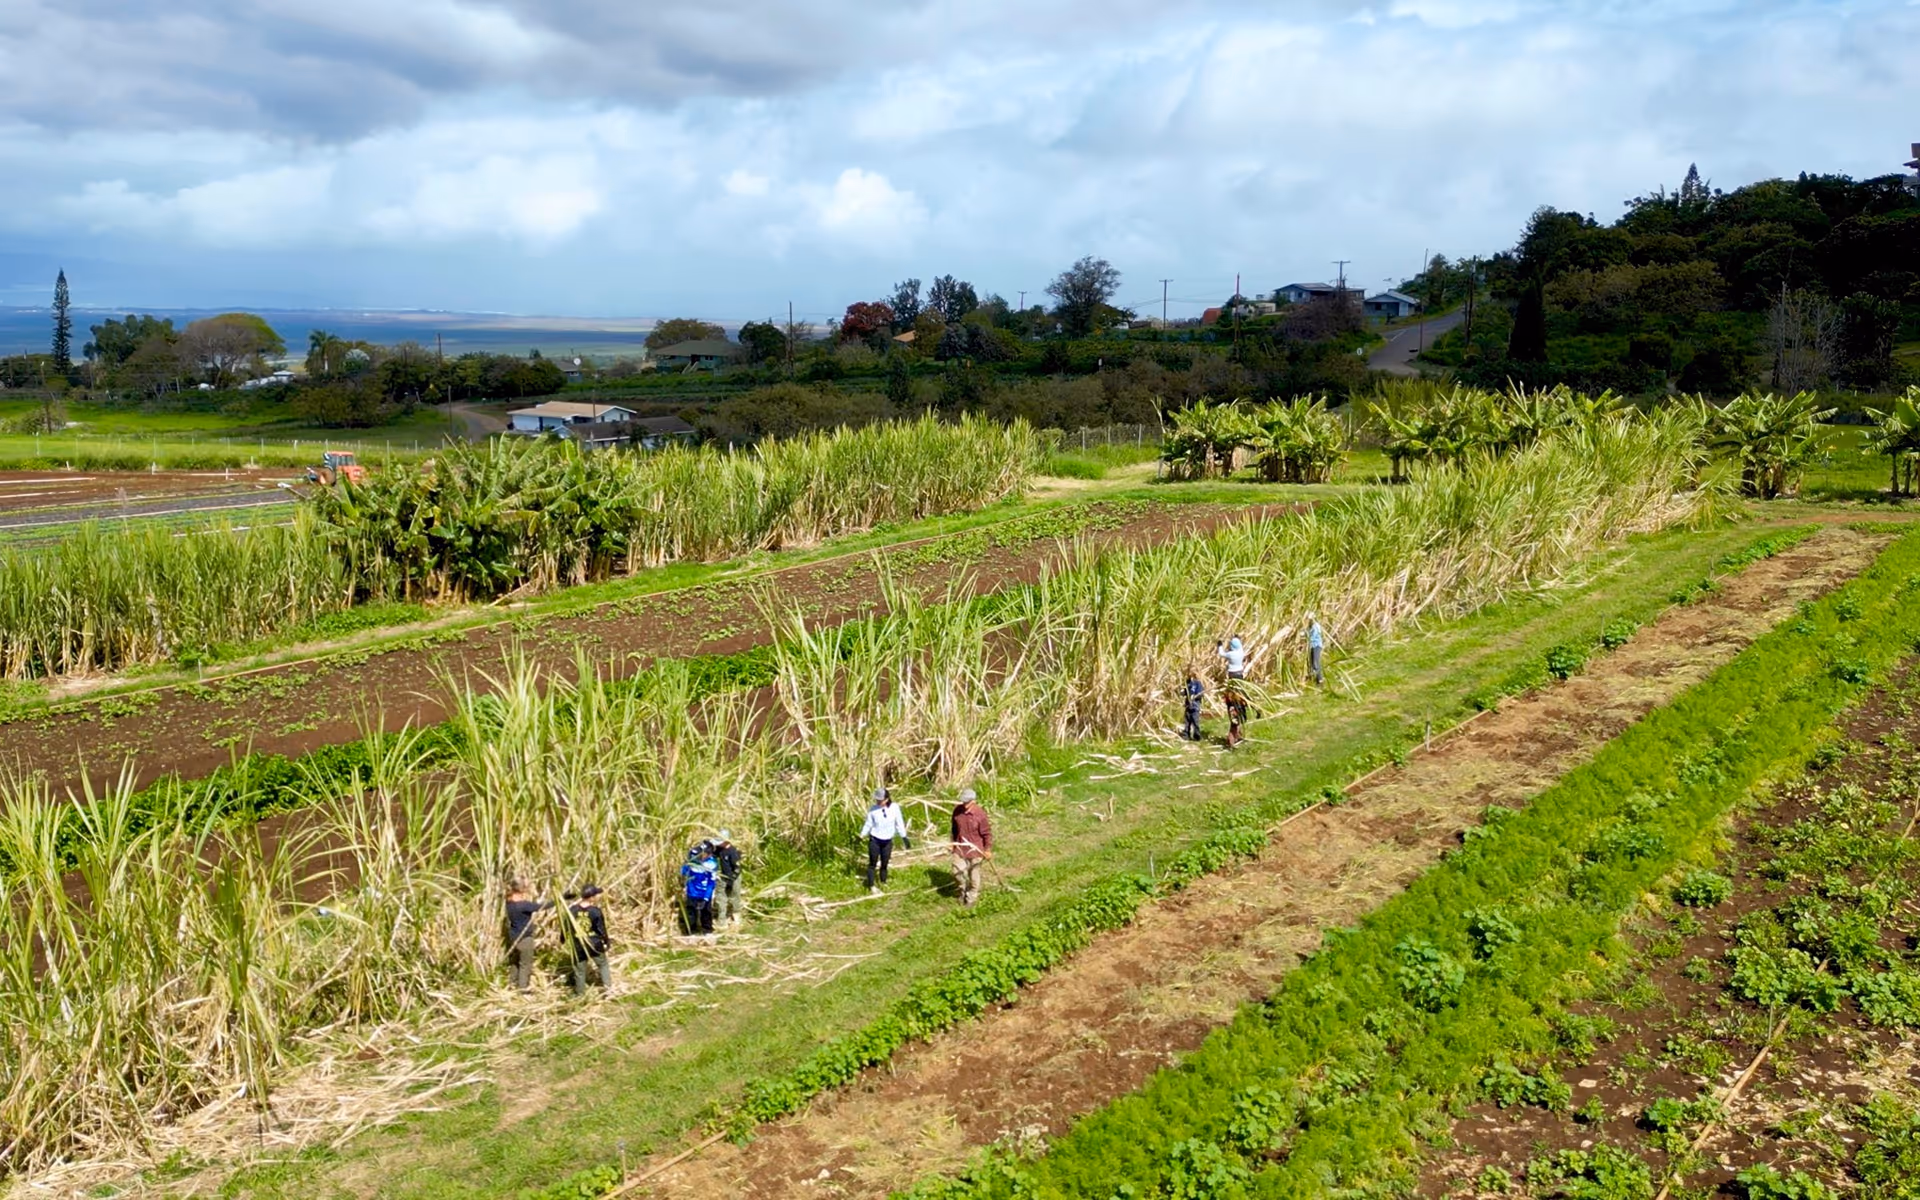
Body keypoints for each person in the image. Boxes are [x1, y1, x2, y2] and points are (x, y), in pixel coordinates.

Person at [504, 878, 553, 993]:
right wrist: (559, 899)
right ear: (522, 890)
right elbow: (541, 907)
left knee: (515, 962)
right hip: (525, 938)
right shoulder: (523, 905)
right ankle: (523, 988)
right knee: (525, 964)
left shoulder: (509, 903)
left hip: (514, 938)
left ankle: (512, 983)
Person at [861, 787, 911, 892]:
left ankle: (883, 882)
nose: (878, 802)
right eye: (877, 800)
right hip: (875, 840)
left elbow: (899, 823)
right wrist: (861, 835)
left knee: (885, 863)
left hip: (887, 841)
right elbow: (868, 824)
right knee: (872, 864)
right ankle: (871, 886)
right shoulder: (873, 810)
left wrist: (904, 837)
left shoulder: (894, 808)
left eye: (880, 800)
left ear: (887, 799)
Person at [565, 884, 611, 996]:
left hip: (578, 944)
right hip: (594, 943)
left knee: (580, 971)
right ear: (591, 897)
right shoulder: (595, 911)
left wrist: (563, 937)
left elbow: (566, 926)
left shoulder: (572, 910)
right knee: (603, 964)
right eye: (596, 895)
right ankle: (607, 988)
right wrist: (606, 940)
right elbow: (601, 928)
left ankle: (580, 993)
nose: (597, 897)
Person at [950, 788, 993, 906]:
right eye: (963, 801)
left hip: (976, 850)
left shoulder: (980, 815)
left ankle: (971, 897)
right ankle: (962, 891)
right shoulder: (957, 811)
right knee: (956, 872)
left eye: (967, 802)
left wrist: (987, 849)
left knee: (974, 875)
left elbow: (987, 834)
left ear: (973, 801)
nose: (964, 805)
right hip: (960, 848)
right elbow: (954, 829)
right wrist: (952, 843)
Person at [681, 842, 718, 936]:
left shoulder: (711, 864)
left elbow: (711, 883)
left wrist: (706, 897)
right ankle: (690, 931)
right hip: (692, 892)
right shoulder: (692, 860)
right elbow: (683, 872)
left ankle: (707, 930)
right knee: (691, 912)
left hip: (705, 892)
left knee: (706, 911)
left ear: (708, 854)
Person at [712, 831, 743, 927]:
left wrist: (732, 879)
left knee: (735, 896)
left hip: (734, 878)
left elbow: (737, 868)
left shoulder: (732, 852)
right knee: (721, 897)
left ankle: (736, 915)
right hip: (723, 876)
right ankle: (721, 920)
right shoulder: (720, 850)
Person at [1182, 667, 1205, 741]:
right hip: (1188, 704)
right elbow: (1186, 691)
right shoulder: (1188, 683)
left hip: (1195, 705)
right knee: (1187, 721)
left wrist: (1195, 696)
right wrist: (1183, 692)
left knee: (1195, 721)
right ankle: (1186, 735)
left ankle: (1197, 735)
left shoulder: (1198, 683)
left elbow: (1201, 693)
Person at [1223, 683, 1248, 750]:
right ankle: (1231, 744)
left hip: (1234, 711)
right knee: (1234, 727)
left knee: (1237, 725)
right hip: (1234, 711)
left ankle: (1238, 737)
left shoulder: (1230, 693)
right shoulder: (1232, 694)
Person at [1306, 614, 1325, 686]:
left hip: (1316, 646)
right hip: (1312, 646)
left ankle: (1320, 680)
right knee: (1312, 662)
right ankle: (1314, 678)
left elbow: (1312, 636)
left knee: (1316, 662)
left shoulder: (1316, 626)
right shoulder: (1310, 626)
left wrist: (1306, 637)